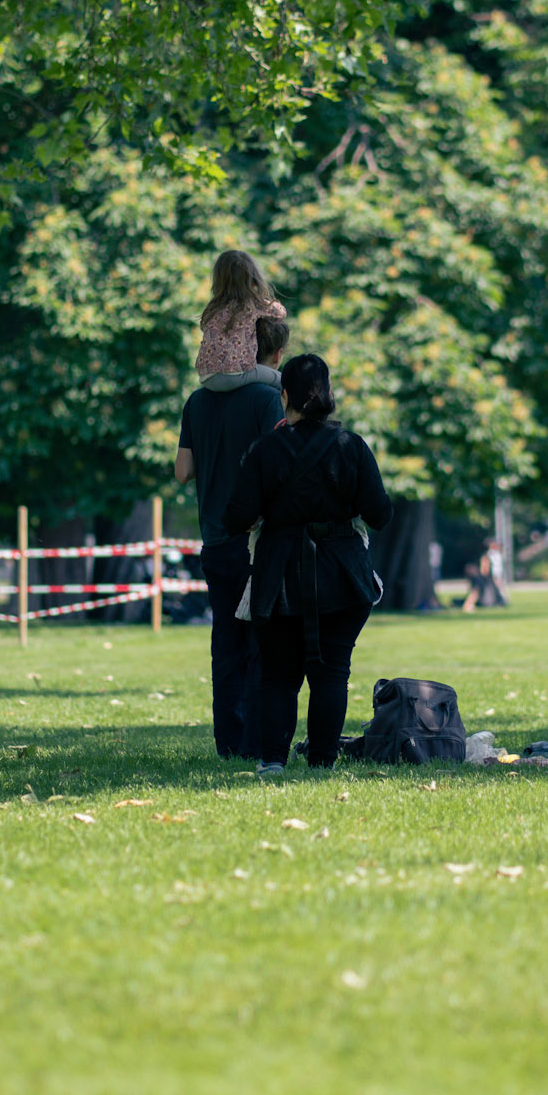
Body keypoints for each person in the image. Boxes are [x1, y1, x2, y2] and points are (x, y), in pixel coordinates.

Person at [223, 353, 391, 777]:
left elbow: (235, 517)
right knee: (332, 672)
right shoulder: (352, 446)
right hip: (343, 574)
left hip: (278, 576)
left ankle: (273, 761)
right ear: (328, 393)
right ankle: (322, 762)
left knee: (278, 674)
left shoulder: (264, 450)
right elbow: (380, 514)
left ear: (285, 397)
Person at [176, 314, 288, 758]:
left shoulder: (196, 402)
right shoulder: (268, 399)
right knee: (263, 643)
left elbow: (182, 471)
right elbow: (277, 467)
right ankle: (258, 742)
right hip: (256, 540)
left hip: (215, 538)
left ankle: (228, 742)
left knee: (225, 642)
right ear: (275, 354)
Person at [195, 249, 287, 389]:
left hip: (207, 378)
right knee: (281, 380)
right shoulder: (252, 304)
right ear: (254, 279)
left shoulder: (214, 307)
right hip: (235, 375)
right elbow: (280, 312)